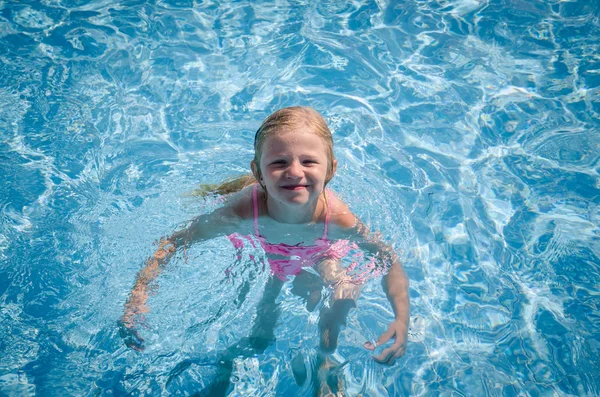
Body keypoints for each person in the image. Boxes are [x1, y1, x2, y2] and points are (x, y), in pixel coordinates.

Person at [119, 106, 410, 395]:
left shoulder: (336, 218)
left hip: (322, 250)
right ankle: (228, 363)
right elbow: (174, 242)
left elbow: (389, 260)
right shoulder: (244, 209)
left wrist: (401, 318)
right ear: (258, 172)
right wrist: (138, 296)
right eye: (279, 162)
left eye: (309, 161)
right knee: (261, 333)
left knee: (343, 290)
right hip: (270, 252)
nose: (295, 172)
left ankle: (325, 360)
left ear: (331, 169)